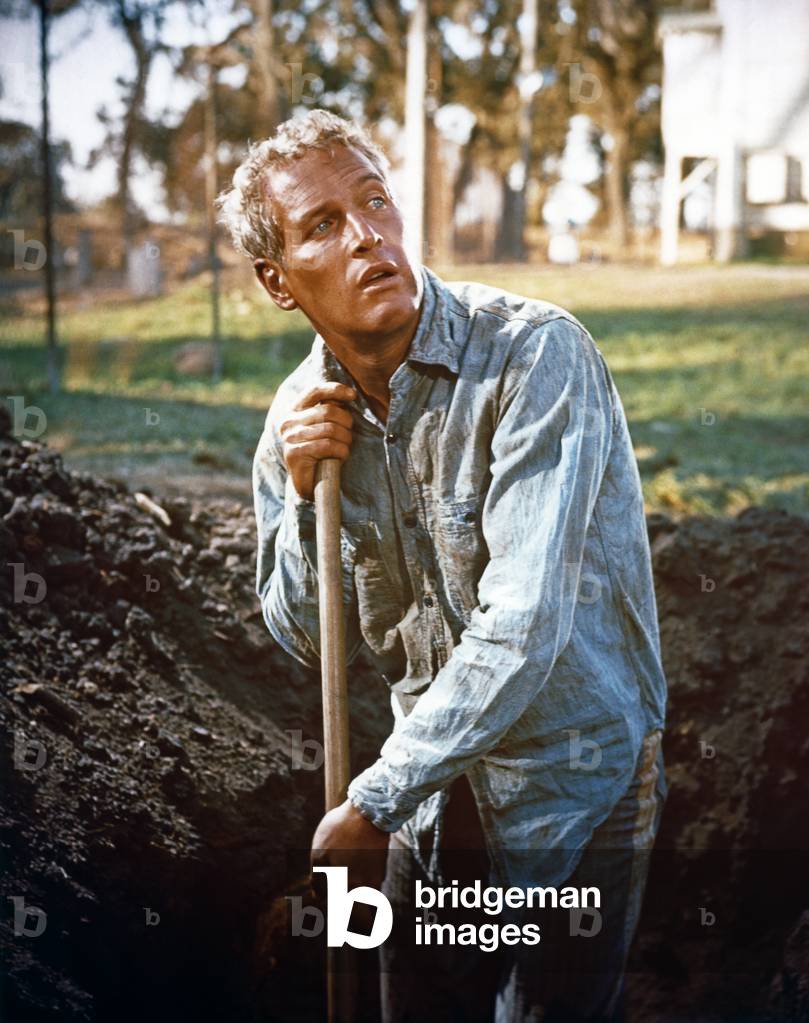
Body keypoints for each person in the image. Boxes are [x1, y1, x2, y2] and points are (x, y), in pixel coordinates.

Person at [217, 109, 668, 1023]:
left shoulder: (535, 356)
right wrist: (309, 500)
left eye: (375, 202)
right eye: (321, 226)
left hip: (570, 783)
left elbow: (524, 619)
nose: (367, 236)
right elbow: (308, 639)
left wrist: (371, 802)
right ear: (276, 282)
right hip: (430, 793)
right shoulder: (296, 421)